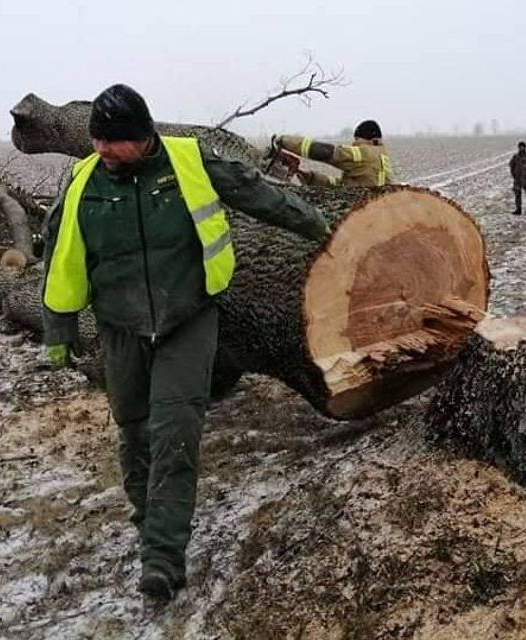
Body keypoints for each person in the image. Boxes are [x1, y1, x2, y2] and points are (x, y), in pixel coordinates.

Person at [40, 84, 330, 604]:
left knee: (175, 432)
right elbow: (60, 256)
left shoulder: (189, 161)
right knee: (134, 433)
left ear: (143, 135)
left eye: (113, 141)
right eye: (97, 140)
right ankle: (152, 522)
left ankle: (162, 558)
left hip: (187, 319)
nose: (102, 150)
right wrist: (58, 327)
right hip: (120, 327)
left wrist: (314, 223)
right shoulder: (84, 181)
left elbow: (254, 191)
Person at [272, 120, 392, 186]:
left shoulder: (364, 153)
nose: (354, 144)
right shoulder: (382, 157)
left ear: (367, 139)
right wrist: (312, 178)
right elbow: (345, 185)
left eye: (356, 140)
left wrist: (284, 141)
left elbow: (325, 152)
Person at [508, 141, 526, 217]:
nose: (521, 148)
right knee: (517, 195)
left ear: (525, 147)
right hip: (517, 179)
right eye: (520, 147)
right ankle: (518, 209)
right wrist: (514, 175)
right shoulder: (515, 157)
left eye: (523, 146)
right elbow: (511, 166)